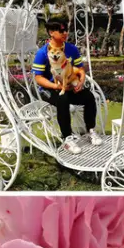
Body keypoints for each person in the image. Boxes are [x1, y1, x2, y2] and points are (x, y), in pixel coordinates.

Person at [32, 18, 102, 155]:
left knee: (88, 96)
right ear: (51, 32)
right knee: (62, 100)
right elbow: (38, 78)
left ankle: (90, 131)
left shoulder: (71, 49)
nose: (65, 33)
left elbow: (80, 69)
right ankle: (67, 138)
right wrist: (56, 87)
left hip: (69, 85)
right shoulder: (43, 53)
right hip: (50, 89)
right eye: (61, 30)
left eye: (66, 30)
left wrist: (81, 81)